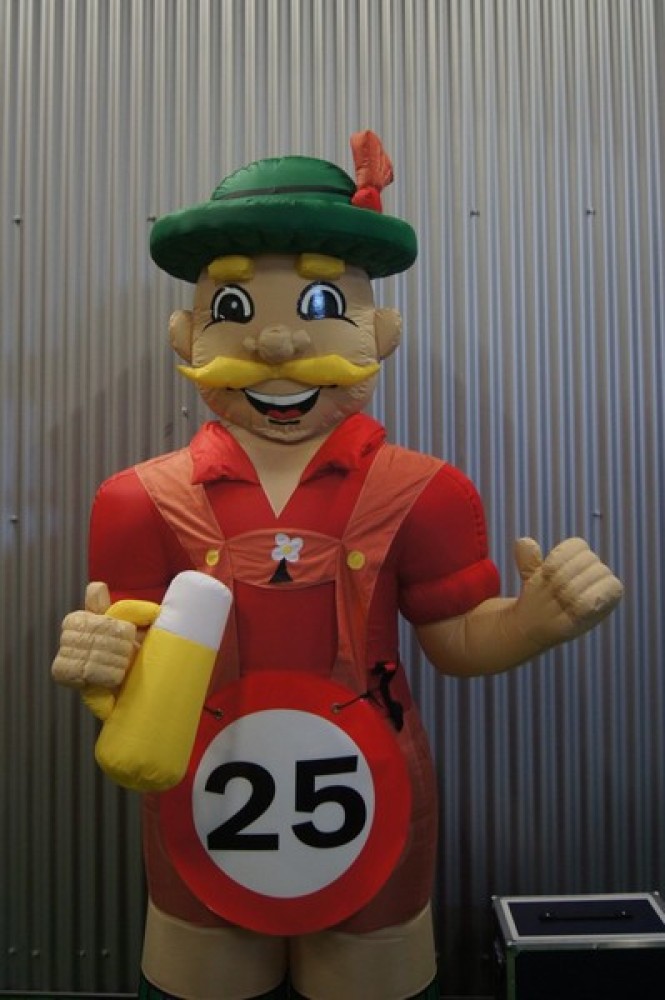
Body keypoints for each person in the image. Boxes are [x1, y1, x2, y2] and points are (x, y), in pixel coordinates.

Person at [52, 132, 623, 1000]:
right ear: (187, 332)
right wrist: (105, 661)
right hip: (195, 797)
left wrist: (533, 621)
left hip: (376, 795)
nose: (279, 341)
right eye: (235, 308)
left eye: (320, 303)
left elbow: (454, 641)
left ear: (380, 332)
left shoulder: (425, 491)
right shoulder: (137, 499)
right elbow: (133, 666)